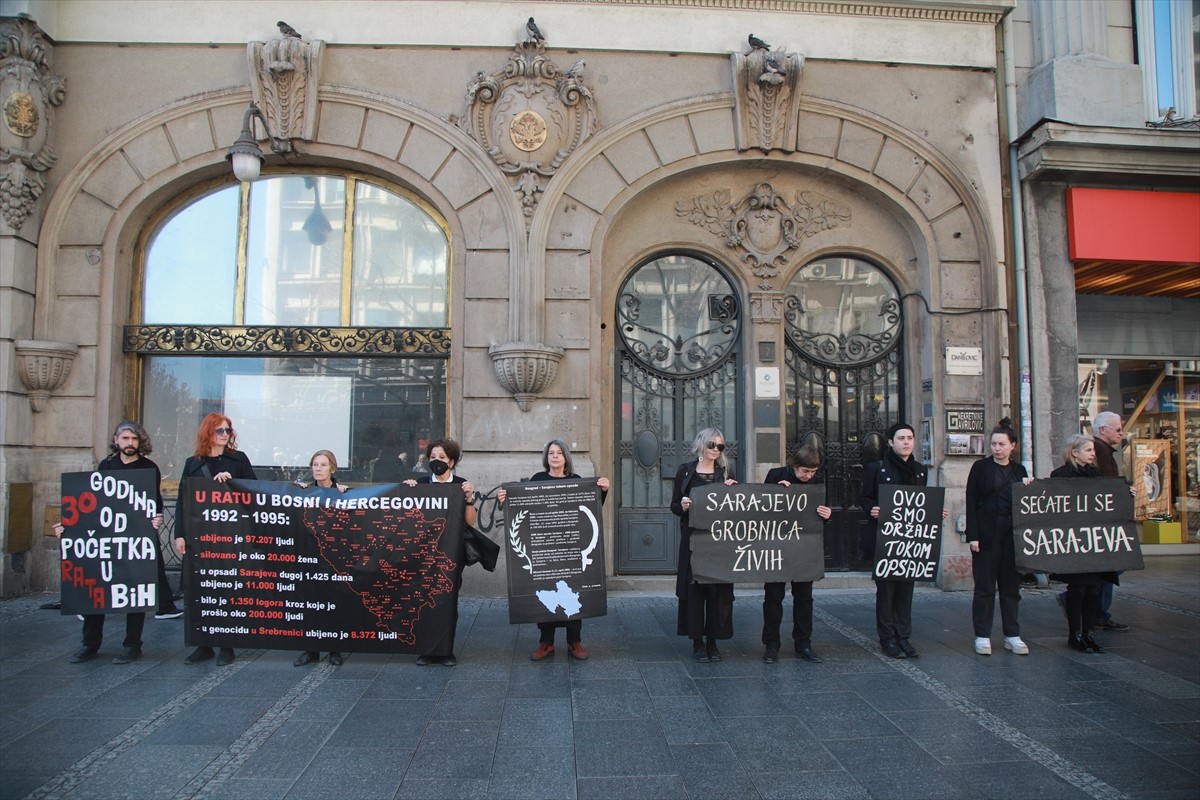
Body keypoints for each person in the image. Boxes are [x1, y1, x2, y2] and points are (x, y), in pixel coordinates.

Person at [55, 421, 167, 665]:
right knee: (97, 589)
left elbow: (154, 502)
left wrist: (156, 518)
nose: (130, 443)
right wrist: (69, 526)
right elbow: (92, 502)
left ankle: (132, 644)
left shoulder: (149, 468)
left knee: (135, 590)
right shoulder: (106, 465)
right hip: (107, 537)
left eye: (134, 439)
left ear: (140, 442)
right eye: (125, 438)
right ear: (116, 441)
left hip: (135, 537)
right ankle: (90, 644)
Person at [497, 440, 611, 661]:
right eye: (551, 453)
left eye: (559, 453)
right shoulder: (537, 480)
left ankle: (574, 642)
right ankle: (546, 643)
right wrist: (505, 499)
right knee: (546, 592)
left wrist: (603, 491)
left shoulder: (577, 481)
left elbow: (592, 507)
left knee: (573, 591)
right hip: (545, 548)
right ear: (546, 457)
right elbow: (523, 509)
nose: (555, 456)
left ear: (566, 457)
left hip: (571, 546)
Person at [174, 413, 257, 667]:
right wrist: (179, 534)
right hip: (199, 536)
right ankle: (203, 644)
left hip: (230, 535)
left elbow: (254, 490)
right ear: (208, 432)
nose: (225, 435)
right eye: (220, 430)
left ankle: (227, 645)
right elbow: (182, 500)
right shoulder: (193, 463)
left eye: (228, 431)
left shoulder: (238, 459)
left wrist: (233, 482)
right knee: (200, 590)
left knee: (227, 588)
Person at [860, 421, 940, 659]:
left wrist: (936, 512)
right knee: (886, 591)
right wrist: (872, 509)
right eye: (901, 438)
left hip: (911, 541)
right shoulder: (877, 468)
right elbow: (865, 498)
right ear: (891, 442)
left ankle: (903, 636)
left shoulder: (919, 470)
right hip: (886, 539)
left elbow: (922, 503)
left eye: (909, 438)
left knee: (906, 589)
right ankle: (887, 638)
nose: (906, 442)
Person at [404, 438, 476, 666]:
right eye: (433, 457)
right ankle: (426, 649)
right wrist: (407, 491)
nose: (437, 461)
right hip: (424, 553)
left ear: (452, 461)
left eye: (442, 458)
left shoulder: (461, 485)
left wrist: (469, 498)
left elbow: (470, 522)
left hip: (451, 554)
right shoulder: (422, 483)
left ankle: (445, 650)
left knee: (447, 600)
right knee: (424, 599)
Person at [671, 428, 738, 663]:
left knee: (718, 591)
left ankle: (713, 642)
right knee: (695, 591)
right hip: (693, 540)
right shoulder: (686, 471)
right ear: (701, 444)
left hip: (720, 541)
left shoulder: (726, 472)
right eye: (712, 444)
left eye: (720, 446)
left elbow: (738, 507)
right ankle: (697, 642)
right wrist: (684, 505)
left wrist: (734, 491)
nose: (715, 450)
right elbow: (674, 507)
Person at [966, 419, 1033, 656]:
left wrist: (1028, 487)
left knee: (1010, 587)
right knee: (984, 587)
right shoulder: (980, 468)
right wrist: (972, 535)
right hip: (985, 534)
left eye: (1002, 444)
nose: (997, 448)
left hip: (1011, 536)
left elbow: (1027, 504)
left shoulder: (1019, 471)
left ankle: (1012, 634)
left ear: (1012, 445)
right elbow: (971, 502)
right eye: (993, 444)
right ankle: (982, 635)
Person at [761, 445, 832, 664]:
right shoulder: (776, 475)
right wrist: (775, 491)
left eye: (813, 472)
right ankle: (771, 645)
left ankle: (803, 644)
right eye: (805, 471)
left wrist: (827, 514)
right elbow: (759, 507)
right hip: (777, 546)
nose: (809, 476)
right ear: (794, 466)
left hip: (804, 549)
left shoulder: (816, 483)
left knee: (804, 598)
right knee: (773, 597)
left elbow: (821, 512)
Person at [1049, 434, 1116, 653]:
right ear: (1074, 452)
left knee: (1093, 589)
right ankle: (1074, 634)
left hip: (1092, 541)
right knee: (1077, 588)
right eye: (1088, 450)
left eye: (1093, 450)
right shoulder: (1059, 476)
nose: (1093, 454)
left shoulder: (1095, 475)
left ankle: (1088, 633)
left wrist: (1126, 493)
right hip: (1073, 542)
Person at [293, 450, 349, 667]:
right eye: (315, 464)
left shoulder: (343, 492)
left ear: (332, 468)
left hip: (334, 559)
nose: (318, 468)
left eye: (323, 465)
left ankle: (335, 649)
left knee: (334, 603)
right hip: (309, 557)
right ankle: (311, 650)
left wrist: (343, 494)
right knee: (310, 603)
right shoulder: (303, 493)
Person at [1090, 411, 1129, 632]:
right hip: (1104, 520)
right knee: (1110, 566)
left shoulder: (1102, 451)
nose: (1121, 433)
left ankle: (1099, 611)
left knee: (1110, 566)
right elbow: (1105, 486)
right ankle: (1097, 611)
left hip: (1104, 518)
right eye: (1118, 429)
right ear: (1103, 430)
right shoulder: (1100, 451)